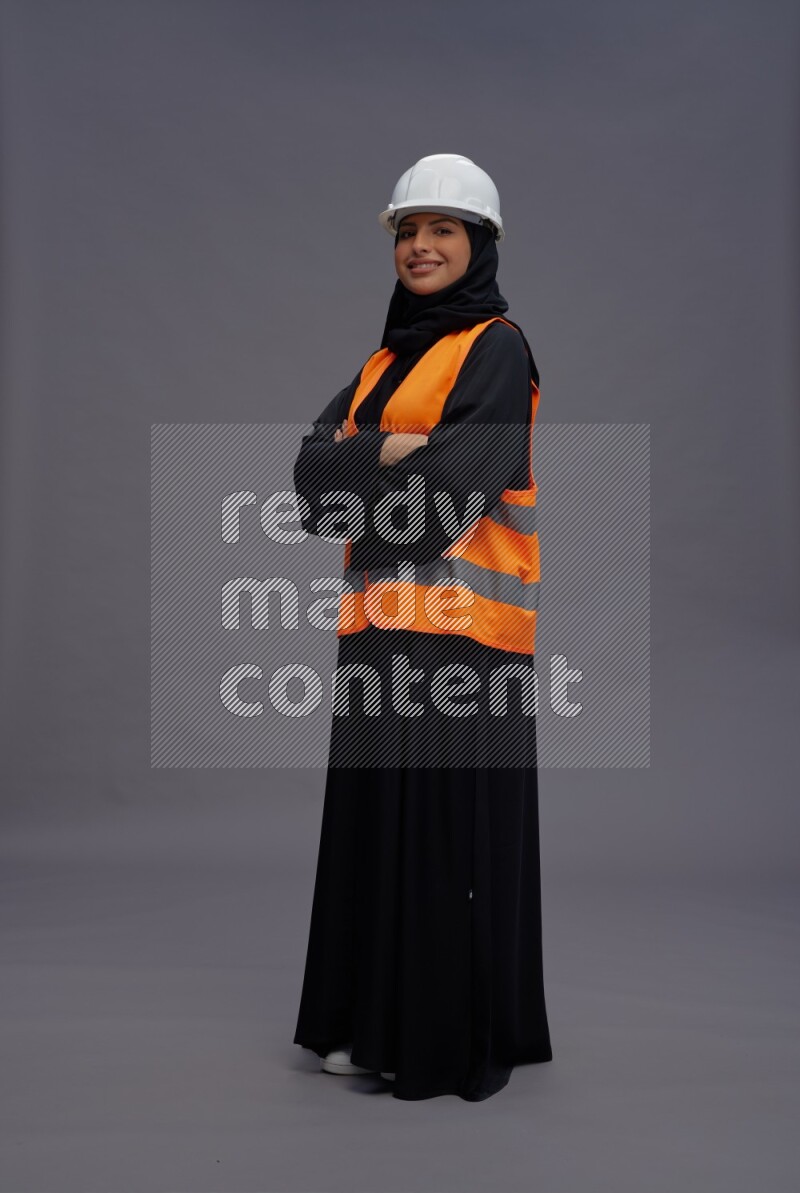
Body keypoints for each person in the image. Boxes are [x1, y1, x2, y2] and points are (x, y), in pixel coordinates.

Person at [291, 154, 553, 1101]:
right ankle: (367, 1025)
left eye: (443, 229)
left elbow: (446, 505)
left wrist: (363, 461)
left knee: (443, 843)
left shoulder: (496, 346)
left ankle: (433, 1042)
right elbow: (309, 490)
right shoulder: (382, 362)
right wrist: (388, 451)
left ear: (478, 245)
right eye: (409, 231)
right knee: (374, 833)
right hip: (375, 634)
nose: (420, 246)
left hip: (465, 642)